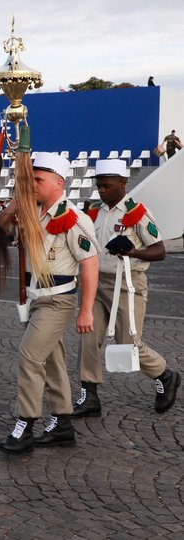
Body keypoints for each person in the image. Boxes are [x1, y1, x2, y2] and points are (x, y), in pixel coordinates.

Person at [0, 152, 99, 454]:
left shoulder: (73, 218)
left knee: (29, 356)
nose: (33, 185)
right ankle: (63, 423)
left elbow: (89, 263)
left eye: (38, 180)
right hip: (36, 298)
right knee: (51, 360)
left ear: (58, 182)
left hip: (57, 300)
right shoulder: (34, 212)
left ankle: (25, 424)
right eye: (31, 179)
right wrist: (19, 198)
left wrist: (86, 310)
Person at [74, 159, 179, 416]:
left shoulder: (137, 213)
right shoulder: (94, 212)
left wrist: (132, 252)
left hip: (127, 285)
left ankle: (165, 375)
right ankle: (89, 396)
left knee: (127, 343)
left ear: (123, 183)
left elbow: (159, 250)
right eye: (98, 186)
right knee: (88, 338)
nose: (101, 191)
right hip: (96, 284)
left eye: (107, 186)